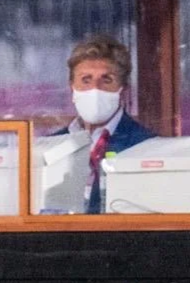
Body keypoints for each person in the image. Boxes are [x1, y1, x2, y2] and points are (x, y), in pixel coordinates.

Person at [53, 34, 155, 214]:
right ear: (72, 86)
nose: (95, 89)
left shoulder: (146, 145)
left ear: (123, 88)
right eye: (86, 80)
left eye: (106, 80)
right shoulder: (52, 146)